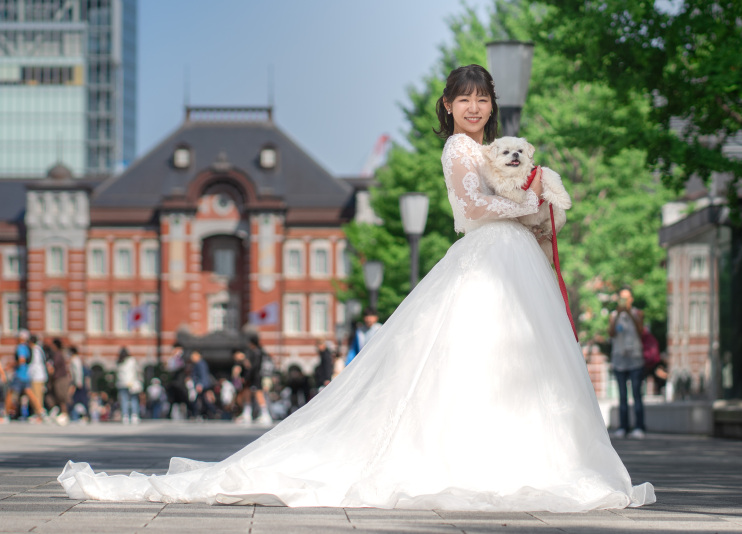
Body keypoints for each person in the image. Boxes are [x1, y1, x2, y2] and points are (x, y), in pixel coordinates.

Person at [59, 64, 654, 511]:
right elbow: (474, 207)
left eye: (482, 98)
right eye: (463, 99)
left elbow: (502, 205)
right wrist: (529, 197)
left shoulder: (490, 150)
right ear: (447, 108)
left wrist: (534, 203)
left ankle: (523, 457)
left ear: (492, 104)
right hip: (487, 255)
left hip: (509, 260)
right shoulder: (458, 150)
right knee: (477, 359)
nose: (474, 107)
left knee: (511, 363)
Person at [608, 286, 646, 439]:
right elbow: (610, 333)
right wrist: (618, 314)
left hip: (635, 358)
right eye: (621, 298)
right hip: (619, 359)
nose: (624, 301)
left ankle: (639, 427)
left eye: (626, 298)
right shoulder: (613, 315)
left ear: (631, 299)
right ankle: (623, 426)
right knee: (622, 395)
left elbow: (641, 331)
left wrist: (629, 313)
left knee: (637, 394)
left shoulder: (637, 313)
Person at [115, 347, 141, 425]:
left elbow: (118, 374)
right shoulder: (132, 360)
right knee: (134, 399)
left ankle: (125, 416)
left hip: (122, 383)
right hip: (132, 383)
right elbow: (137, 371)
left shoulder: (119, 361)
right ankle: (134, 415)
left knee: (124, 400)